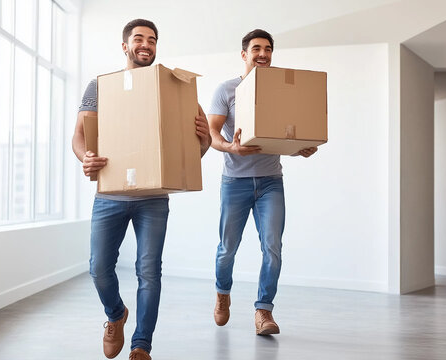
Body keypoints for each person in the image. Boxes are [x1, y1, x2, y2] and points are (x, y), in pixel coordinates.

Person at [72, 19, 211, 360]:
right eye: (138, 39)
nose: (145, 44)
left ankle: (141, 346)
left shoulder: (174, 88)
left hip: (153, 198)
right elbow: (78, 136)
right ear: (125, 46)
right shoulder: (100, 86)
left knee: (148, 271)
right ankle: (116, 314)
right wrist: (85, 157)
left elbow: (196, 148)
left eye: (152, 39)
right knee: (98, 268)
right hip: (109, 196)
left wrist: (204, 138)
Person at [207, 29, 317, 336]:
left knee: (272, 248)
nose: (263, 53)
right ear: (244, 54)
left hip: (271, 182)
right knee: (228, 248)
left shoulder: (279, 90)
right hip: (235, 182)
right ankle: (222, 292)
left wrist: (301, 147)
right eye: (256, 48)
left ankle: (263, 311)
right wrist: (230, 146)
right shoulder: (227, 90)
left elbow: (283, 135)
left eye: (268, 49)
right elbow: (212, 134)